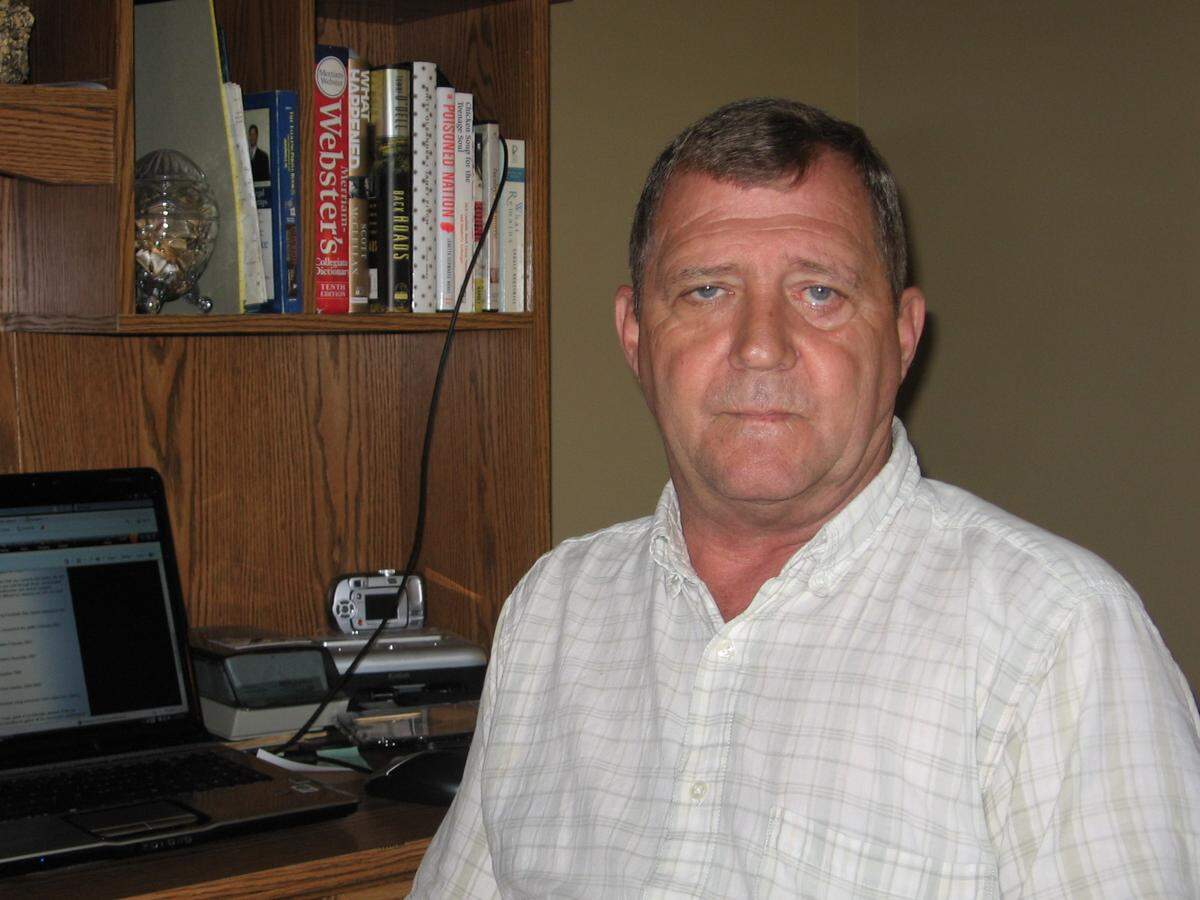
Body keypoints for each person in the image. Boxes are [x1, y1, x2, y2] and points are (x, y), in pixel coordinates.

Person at [411, 98, 1200, 897]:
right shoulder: (552, 611)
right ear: (635, 336)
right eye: (707, 291)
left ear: (901, 336)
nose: (761, 344)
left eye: (819, 292)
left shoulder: (1057, 637)